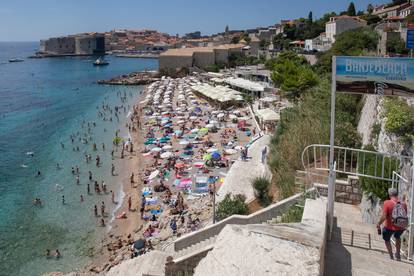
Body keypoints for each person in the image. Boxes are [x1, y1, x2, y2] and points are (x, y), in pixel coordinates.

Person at [377, 188, 408, 261]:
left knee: (387, 239)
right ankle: (397, 254)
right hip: (400, 227)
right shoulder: (404, 204)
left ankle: (391, 256)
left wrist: (379, 224)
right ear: (397, 194)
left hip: (389, 227)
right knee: (397, 237)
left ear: (389, 194)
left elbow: (384, 216)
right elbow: (404, 216)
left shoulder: (387, 203)